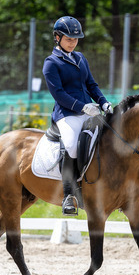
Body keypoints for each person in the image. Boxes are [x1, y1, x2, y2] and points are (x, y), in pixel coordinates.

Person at [42, 15, 111, 216]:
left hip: (89, 110)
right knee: (71, 145)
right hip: (67, 114)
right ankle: (69, 195)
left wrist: (103, 102)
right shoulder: (51, 63)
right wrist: (82, 107)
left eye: (76, 39)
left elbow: (91, 84)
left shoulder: (80, 58)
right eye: (69, 39)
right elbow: (59, 94)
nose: (73, 42)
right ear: (57, 37)